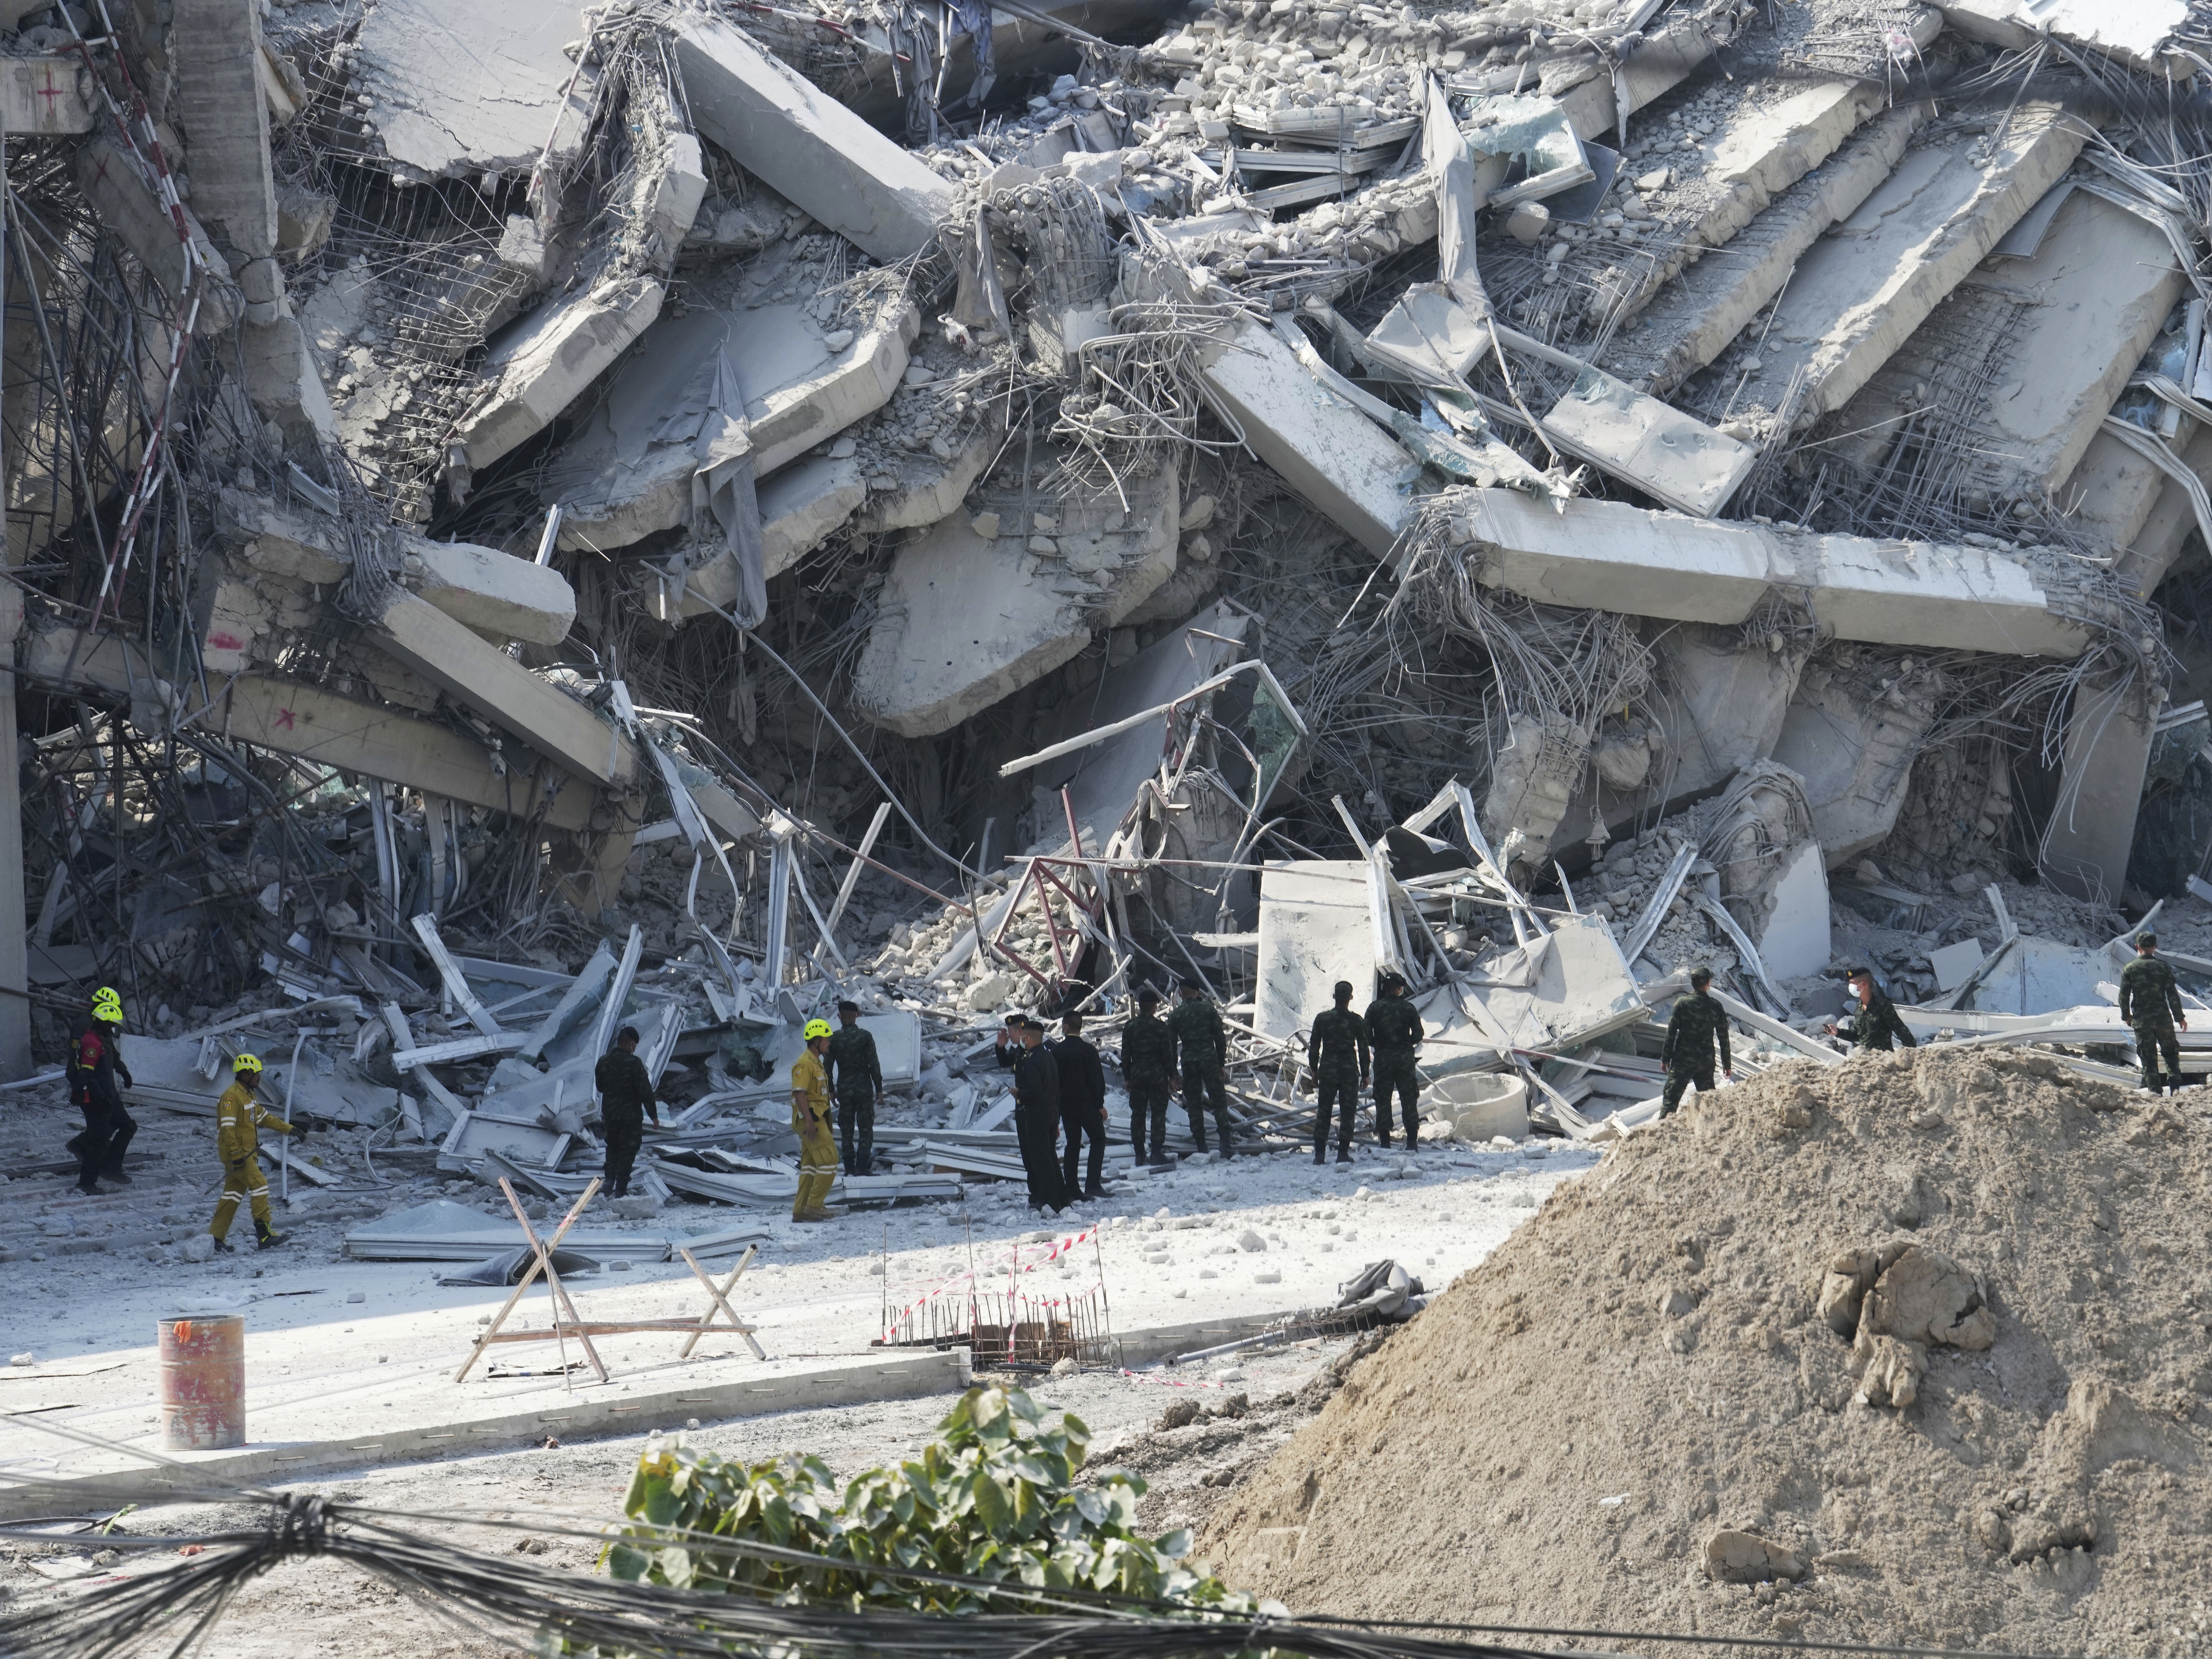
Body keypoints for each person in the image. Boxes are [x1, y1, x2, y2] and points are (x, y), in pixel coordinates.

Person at [209, 1052, 293, 1251]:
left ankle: (215, 1239)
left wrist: (290, 1129)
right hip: (238, 1156)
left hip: (245, 1155)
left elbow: (265, 1118)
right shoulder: (231, 1097)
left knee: (232, 1196)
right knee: (260, 1185)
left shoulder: (249, 1096)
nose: (259, 1078)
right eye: (256, 1074)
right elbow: (227, 1129)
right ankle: (264, 1235)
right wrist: (236, 1156)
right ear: (246, 1074)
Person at [66, 986, 136, 1195]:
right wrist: (81, 1091)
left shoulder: (101, 1028)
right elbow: (79, 1065)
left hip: (106, 1090)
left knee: (121, 1127)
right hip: (95, 1091)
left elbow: (110, 1051)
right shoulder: (87, 1030)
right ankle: (89, 1177)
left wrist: (123, 1071)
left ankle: (106, 1164)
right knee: (100, 1135)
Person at [1167, 977, 1234, 1157]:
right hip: (1210, 1060)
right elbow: (1220, 1039)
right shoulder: (1208, 1010)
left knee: (1195, 1104)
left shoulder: (1175, 1015)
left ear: (1180, 994)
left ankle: (1201, 1147)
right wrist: (1221, 1063)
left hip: (1189, 1062)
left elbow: (1171, 1047)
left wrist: (1173, 1073)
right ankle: (1226, 1145)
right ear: (1198, 993)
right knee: (1219, 1102)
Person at [594, 1025, 662, 1199]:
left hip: (610, 1114)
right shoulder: (634, 1064)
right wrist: (654, 1116)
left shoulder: (603, 1062)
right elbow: (645, 1091)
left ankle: (609, 1181)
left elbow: (600, 1087)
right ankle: (621, 1189)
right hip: (630, 1116)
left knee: (613, 1146)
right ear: (632, 1044)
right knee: (628, 1149)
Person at [1306, 979, 1370, 1164]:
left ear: (1334, 997)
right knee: (1348, 1112)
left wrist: (1314, 1071)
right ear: (1351, 998)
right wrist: (1365, 1073)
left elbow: (1314, 1047)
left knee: (1324, 1111)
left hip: (1328, 1069)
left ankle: (1320, 1154)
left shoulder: (1322, 1018)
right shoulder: (1357, 1021)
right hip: (1349, 1070)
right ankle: (1343, 1153)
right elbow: (1364, 1049)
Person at [1012, 1017, 1071, 1213]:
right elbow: (1056, 1089)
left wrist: (1019, 1093)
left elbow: (1034, 1090)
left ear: (1027, 1037)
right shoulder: (1048, 1056)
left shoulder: (1032, 1061)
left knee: (1040, 1158)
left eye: (1023, 1036)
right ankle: (1062, 1197)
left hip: (1036, 1112)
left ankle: (1049, 1200)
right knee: (1050, 1156)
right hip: (1051, 1111)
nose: (1021, 1039)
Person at [2119, 930, 2188, 1094]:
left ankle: (2155, 1092)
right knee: (2171, 1053)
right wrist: (2180, 1018)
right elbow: (2173, 995)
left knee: (2148, 1058)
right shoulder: (2163, 967)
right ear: (2155, 947)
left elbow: (2124, 996)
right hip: (2163, 1019)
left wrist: (2127, 1016)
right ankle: (2175, 1087)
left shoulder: (2130, 969)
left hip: (2142, 1022)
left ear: (2137, 946)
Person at [1659, 967, 1733, 1116]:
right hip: (1705, 1062)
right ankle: (1713, 1133)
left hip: (1683, 1061)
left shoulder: (1682, 1004)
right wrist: (1727, 1064)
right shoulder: (1716, 1006)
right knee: (1709, 1103)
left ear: (1693, 984)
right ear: (1708, 984)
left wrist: (1666, 1058)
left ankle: (1662, 1135)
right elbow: (1723, 1037)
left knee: (1670, 1102)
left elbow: (1671, 1033)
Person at [1363, 972, 1425, 1150]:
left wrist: (1380, 1044)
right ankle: (1412, 1142)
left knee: (1383, 1098)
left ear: (1385, 988)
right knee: (1409, 1098)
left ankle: (1385, 1141)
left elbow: (1366, 1036)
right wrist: (1405, 1044)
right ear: (1400, 989)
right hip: (1405, 1059)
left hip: (1383, 1059)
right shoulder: (1409, 1008)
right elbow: (1419, 1035)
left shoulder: (1374, 1009)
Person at [1052, 1011, 1108, 1200]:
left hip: (1066, 1107)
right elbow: (1097, 1080)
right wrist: (1100, 1104)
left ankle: (1072, 1189)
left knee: (1073, 1144)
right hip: (1087, 1105)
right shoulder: (1089, 1051)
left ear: (1066, 1027)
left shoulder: (1056, 1052)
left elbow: (1052, 1082)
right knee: (1098, 1139)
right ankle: (1092, 1184)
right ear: (1080, 1027)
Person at [1120, 985, 1176, 1167]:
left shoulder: (1130, 1027)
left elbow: (1125, 1055)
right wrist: (1173, 1076)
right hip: (1157, 1075)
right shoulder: (1161, 1028)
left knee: (1138, 1115)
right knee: (1158, 1114)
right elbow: (1168, 1055)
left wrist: (1128, 1077)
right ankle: (1157, 1153)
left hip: (1137, 1075)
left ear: (1139, 1006)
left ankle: (1139, 1155)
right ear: (1154, 1007)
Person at [790, 1019, 840, 1223]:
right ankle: (815, 1206)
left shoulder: (816, 1062)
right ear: (817, 1041)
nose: (829, 1043)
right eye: (827, 1039)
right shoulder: (805, 1063)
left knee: (810, 1166)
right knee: (830, 1160)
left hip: (817, 1118)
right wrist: (809, 1122)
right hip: (812, 1120)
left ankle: (801, 1210)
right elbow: (800, 1093)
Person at [826, 1000, 883, 1176]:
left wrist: (831, 1090)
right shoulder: (865, 1037)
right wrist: (879, 1088)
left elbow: (827, 1067)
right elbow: (874, 1064)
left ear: (839, 1017)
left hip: (845, 1089)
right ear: (857, 1016)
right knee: (866, 1128)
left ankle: (849, 1167)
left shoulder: (834, 1039)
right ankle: (861, 1167)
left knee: (847, 1129)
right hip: (864, 1089)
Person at [1825, 965, 1918, 1053]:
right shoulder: (1859, 1009)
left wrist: (1911, 1055)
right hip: (1867, 1060)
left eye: (1853, 984)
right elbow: (1858, 1035)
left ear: (1864, 984)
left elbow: (1902, 1032)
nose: (1850, 987)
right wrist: (1838, 1032)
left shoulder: (1883, 1006)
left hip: (1884, 1060)